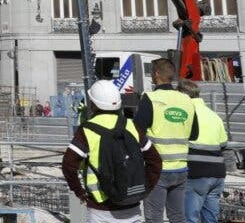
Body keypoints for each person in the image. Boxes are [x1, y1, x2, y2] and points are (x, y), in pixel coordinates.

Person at [62, 80, 162, 222]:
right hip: (132, 206)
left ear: (93, 104)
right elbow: (155, 161)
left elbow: (68, 165)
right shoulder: (131, 126)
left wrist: (79, 191)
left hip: (100, 208)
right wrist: (145, 187)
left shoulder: (87, 130)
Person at [136, 59, 196, 223]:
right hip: (181, 168)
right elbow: (194, 133)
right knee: (177, 216)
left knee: (154, 217)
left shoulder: (150, 98)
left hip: (157, 168)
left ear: (156, 75)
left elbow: (137, 133)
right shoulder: (187, 100)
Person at [179, 79, 227, 223]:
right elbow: (223, 144)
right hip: (217, 174)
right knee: (211, 218)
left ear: (182, 96)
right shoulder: (214, 115)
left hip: (196, 172)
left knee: (190, 218)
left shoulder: (184, 115)